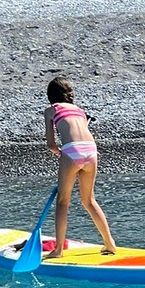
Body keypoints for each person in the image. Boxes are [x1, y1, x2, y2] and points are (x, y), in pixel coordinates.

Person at [43, 76, 118, 257]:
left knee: (63, 202)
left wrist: (60, 153)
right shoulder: (79, 110)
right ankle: (109, 243)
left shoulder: (50, 110)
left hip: (71, 151)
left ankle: (58, 250)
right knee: (89, 200)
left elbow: (51, 145)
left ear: (50, 96)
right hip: (91, 151)